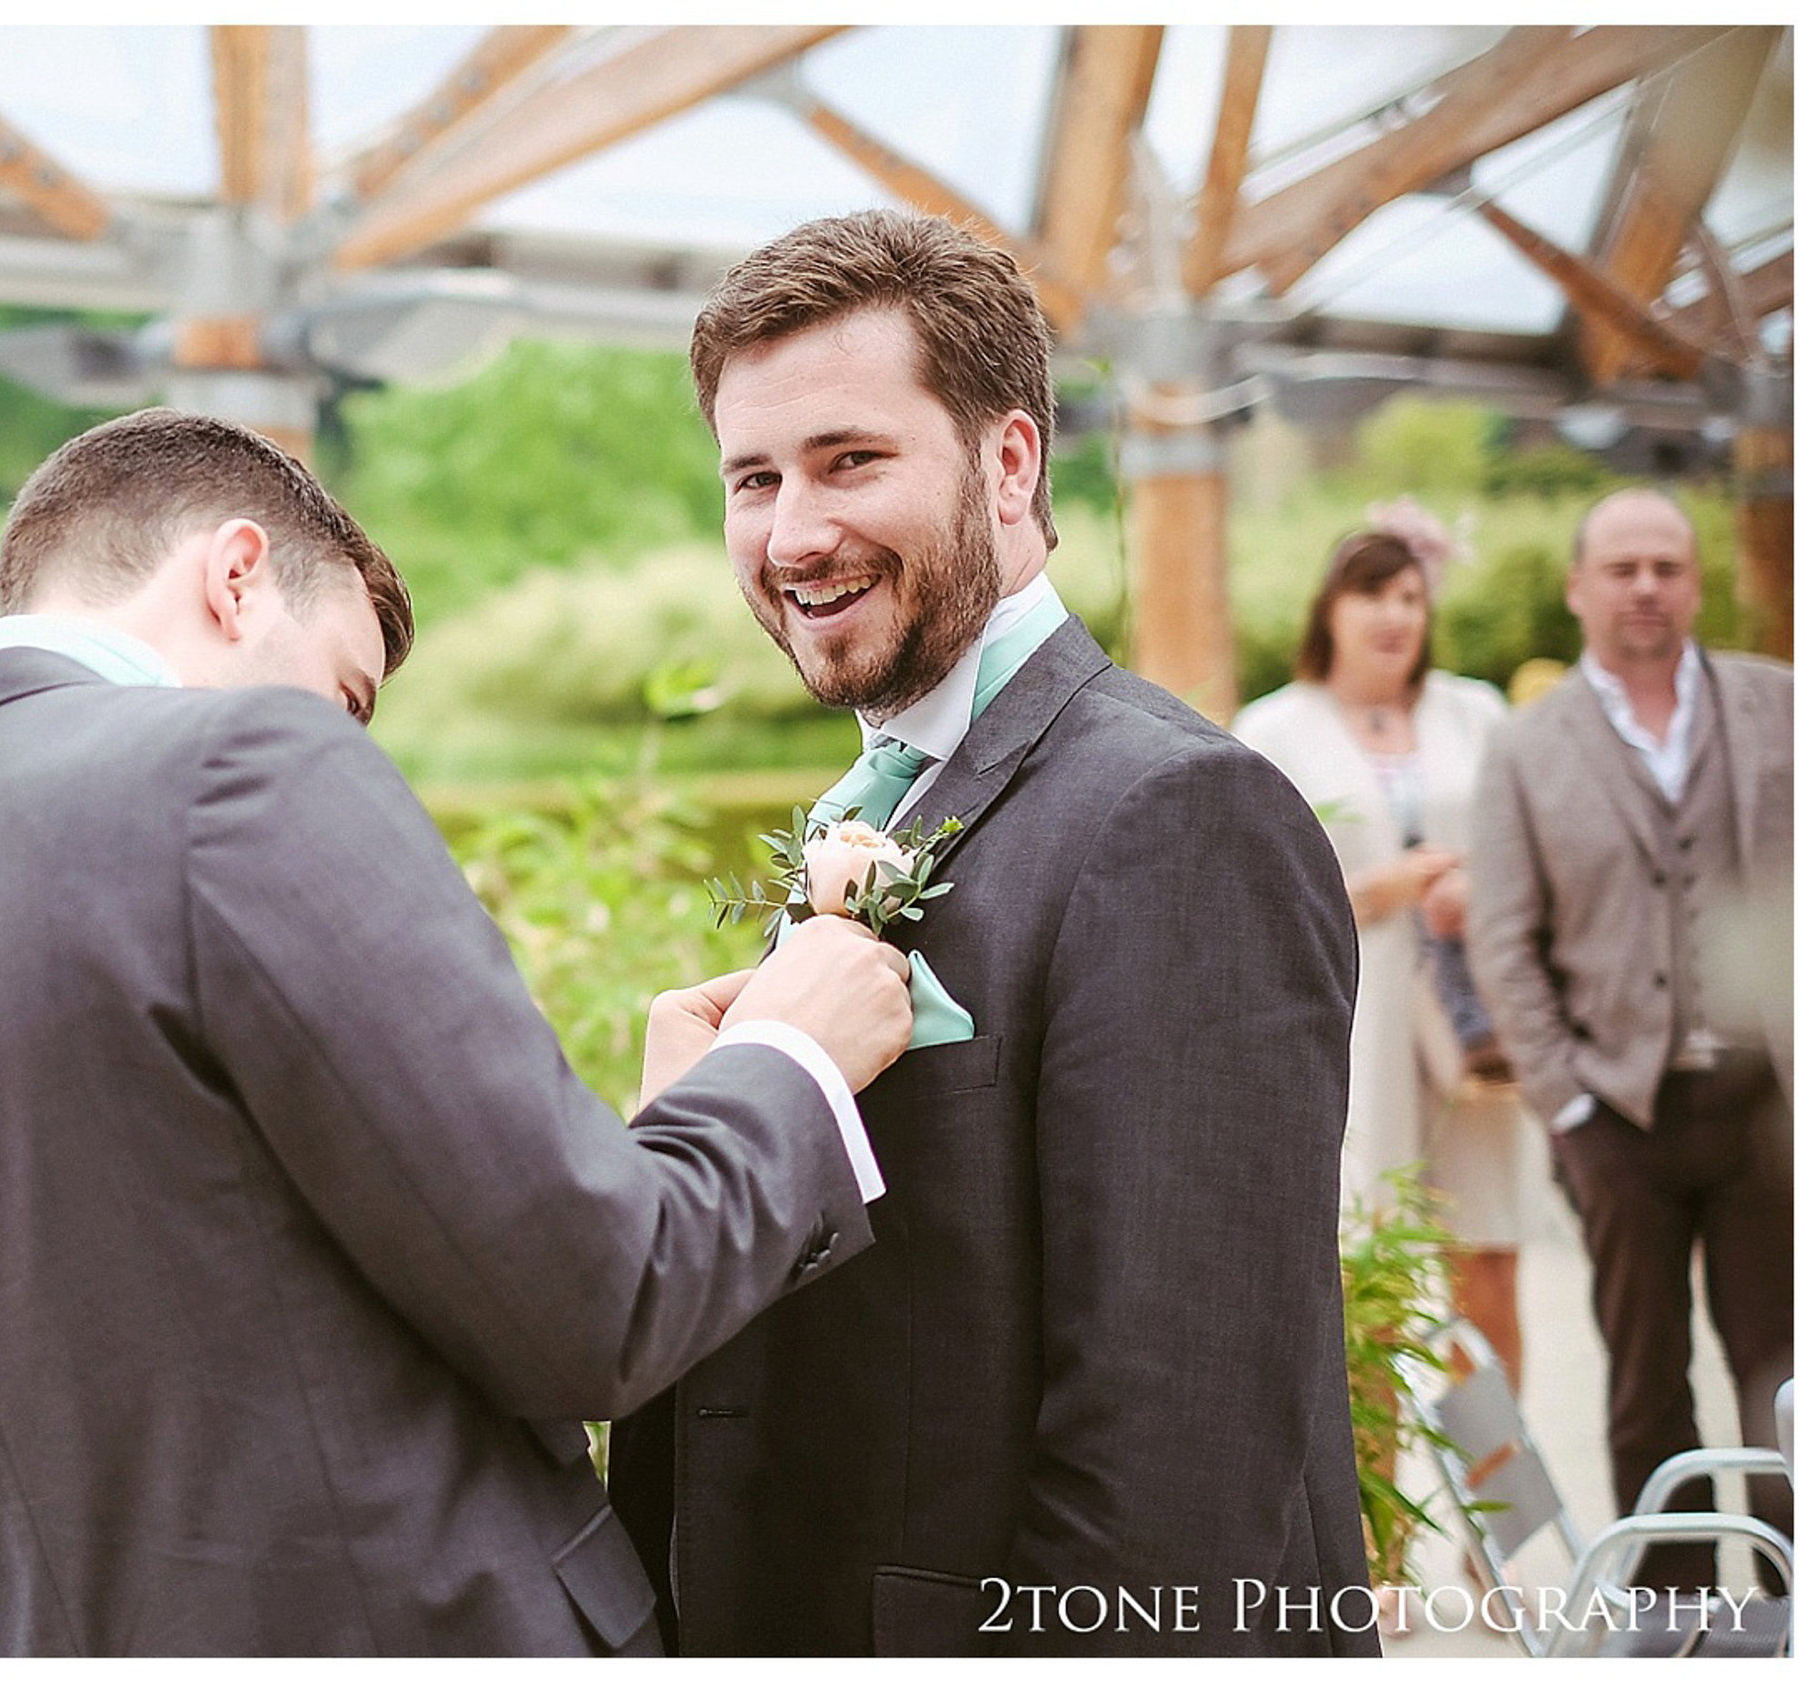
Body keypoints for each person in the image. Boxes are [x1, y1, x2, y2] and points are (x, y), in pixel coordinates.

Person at [0, 407, 920, 1656]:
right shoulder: (239, 769)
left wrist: (646, 1146)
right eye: (345, 694)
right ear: (234, 577)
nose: (346, 740)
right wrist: (790, 1062)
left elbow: (241, 1320)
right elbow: (598, 1304)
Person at [607, 209, 1373, 1656]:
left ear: (1009, 462)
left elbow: (1180, 1459)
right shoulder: (875, 805)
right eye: (753, 477)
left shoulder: (1181, 815)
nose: (793, 532)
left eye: (851, 460)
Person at [1467, 485, 1793, 1591]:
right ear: (1577, 588)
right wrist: (1566, 1104)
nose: (1646, 586)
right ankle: (1678, 1613)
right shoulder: (1524, 747)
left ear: (1696, 582)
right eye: (1622, 568)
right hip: (1616, 1113)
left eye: (1667, 565)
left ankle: (1800, 1603)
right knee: (1645, 1381)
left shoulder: (1781, 706)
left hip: (1768, 1108)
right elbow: (1505, 943)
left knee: (1782, 1369)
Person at [1234, 505, 1529, 1391]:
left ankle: (1495, 1527)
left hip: (1476, 1029)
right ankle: (1382, 1534)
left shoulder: (1475, 713)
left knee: (1489, 1275)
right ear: (1330, 608)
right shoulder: (1275, 729)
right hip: (1356, 1036)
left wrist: (1483, 885)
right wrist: (1380, 890)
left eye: (1410, 595)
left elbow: (1539, 850)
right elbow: (1255, 895)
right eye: (1372, 594)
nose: (1395, 614)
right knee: (1373, 1286)